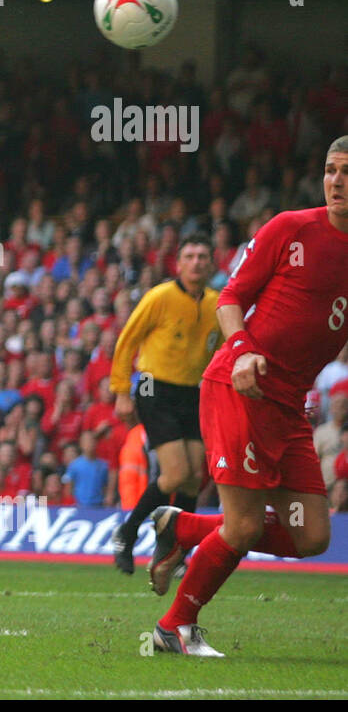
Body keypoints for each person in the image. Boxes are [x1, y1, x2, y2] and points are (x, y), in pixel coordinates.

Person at [149, 139, 348, 656]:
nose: (337, 181)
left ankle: (186, 526)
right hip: (239, 387)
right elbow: (232, 295)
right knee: (242, 524)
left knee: (312, 536)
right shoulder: (290, 228)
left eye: (346, 172)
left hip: (288, 406)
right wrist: (241, 352)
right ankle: (173, 629)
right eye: (330, 170)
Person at [108, 234, 219, 575]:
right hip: (155, 388)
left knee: (191, 480)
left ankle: (171, 549)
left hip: (192, 392)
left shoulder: (217, 303)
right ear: (179, 263)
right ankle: (127, 532)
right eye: (190, 255)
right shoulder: (160, 297)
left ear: (211, 262)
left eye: (203, 255)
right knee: (177, 473)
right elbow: (128, 340)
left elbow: (226, 350)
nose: (197, 261)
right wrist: (122, 390)